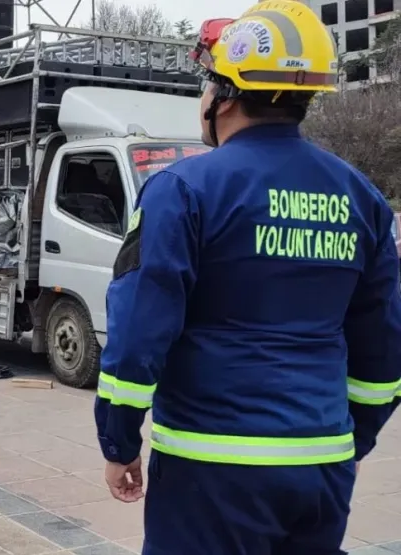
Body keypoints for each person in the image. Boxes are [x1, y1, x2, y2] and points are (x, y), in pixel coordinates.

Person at [93, 2, 401, 554]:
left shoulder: (182, 190)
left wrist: (118, 441)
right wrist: (352, 439)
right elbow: (384, 344)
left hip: (211, 465)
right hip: (322, 467)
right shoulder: (363, 198)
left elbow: (140, 330)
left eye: (207, 84)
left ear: (226, 95)